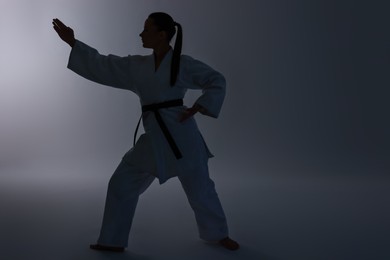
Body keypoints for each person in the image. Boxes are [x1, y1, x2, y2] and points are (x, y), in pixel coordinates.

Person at [52, 12, 239, 252]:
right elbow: (105, 64)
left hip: (183, 136)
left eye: (147, 30)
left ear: (162, 35)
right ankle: (112, 240)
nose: (141, 34)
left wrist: (200, 106)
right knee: (122, 183)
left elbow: (216, 79)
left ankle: (219, 234)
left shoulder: (182, 63)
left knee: (201, 188)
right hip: (153, 138)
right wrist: (73, 43)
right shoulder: (137, 66)